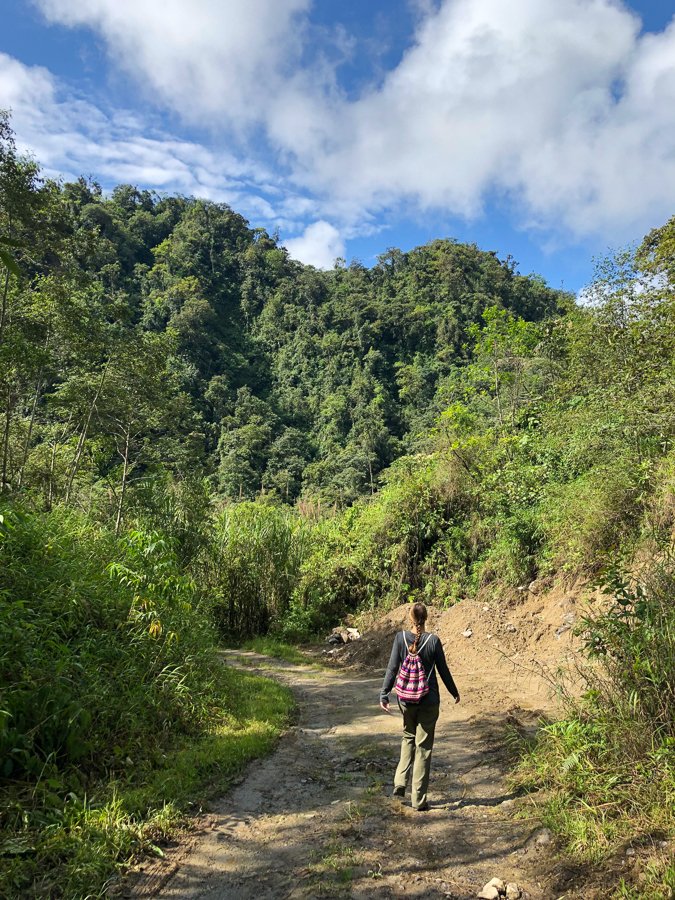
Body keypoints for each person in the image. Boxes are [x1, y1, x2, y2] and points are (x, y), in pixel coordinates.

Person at [379, 602, 460, 811]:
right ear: (427, 618)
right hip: (428, 700)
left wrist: (384, 694)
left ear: (410, 618)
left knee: (408, 737)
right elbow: (443, 670)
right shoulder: (433, 641)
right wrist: (454, 692)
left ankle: (399, 781)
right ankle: (419, 800)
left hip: (406, 700)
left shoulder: (400, 639)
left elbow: (392, 668)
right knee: (423, 748)